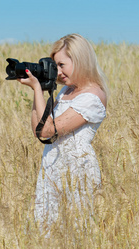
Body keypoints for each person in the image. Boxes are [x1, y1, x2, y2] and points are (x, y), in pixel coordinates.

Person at [17, 33, 108, 230]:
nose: (57, 72)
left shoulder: (92, 96)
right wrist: (38, 90)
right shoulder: (66, 91)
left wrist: (37, 89)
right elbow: (39, 131)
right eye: (55, 66)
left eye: (61, 65)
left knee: (75, 230)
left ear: (80, 61)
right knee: (48, 230)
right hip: (52, 164)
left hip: (76, 169)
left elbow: (49, 130)